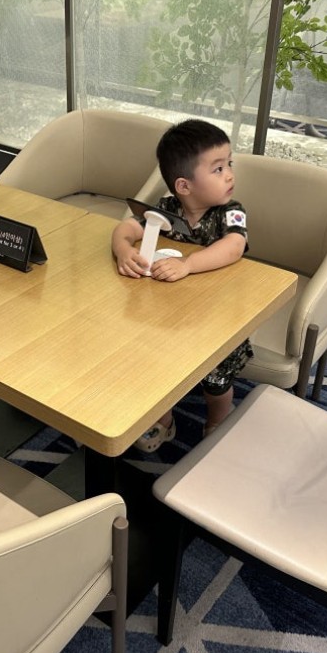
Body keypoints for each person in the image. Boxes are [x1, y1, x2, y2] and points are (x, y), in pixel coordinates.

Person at [111, 119, 250, 451]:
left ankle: (217, 417)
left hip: (217, 317)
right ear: (184, 186)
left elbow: (234, 246)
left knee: (217, 380)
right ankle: (165, 420)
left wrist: (188, 264)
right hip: (169, 314)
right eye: (217, 169)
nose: (230, 174)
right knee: (160, 367)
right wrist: (123, 251)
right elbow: (126, 228)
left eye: (229, 164)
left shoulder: (230, 212)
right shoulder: (167, 209)